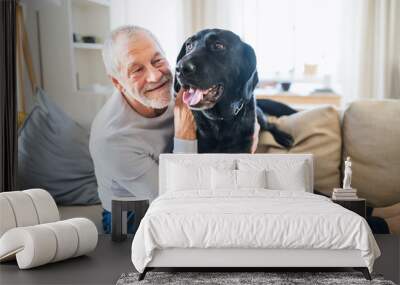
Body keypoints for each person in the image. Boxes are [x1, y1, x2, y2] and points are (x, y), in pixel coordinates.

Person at [89, 25, 260, 233]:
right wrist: (184, 134)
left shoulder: (179, 87)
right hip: (133, 212)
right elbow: (178, 201)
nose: (155, 77)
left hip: (179, 182)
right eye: (136, 70)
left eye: (157, 60)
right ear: (118, 82)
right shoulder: (111, 140)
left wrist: (250, 129)